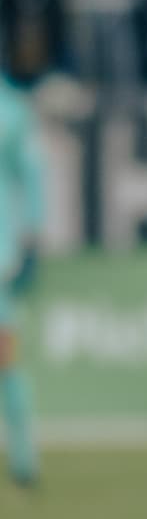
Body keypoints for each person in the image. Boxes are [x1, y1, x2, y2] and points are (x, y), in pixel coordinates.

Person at [0, 71, 45, 487]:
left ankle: (23, 458)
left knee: (5, 357)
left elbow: (31, 173)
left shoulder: (11, 109)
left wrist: (32, 233)